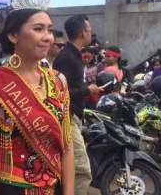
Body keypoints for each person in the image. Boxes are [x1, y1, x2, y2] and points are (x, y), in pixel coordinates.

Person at [0, 5, 74, 195]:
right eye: (38, 29)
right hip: (12, 189)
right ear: (13, 36)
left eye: (50, 29)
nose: (48, 37)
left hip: (53, 187)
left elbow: (67, 146)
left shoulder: (58, 81)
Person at [53, 14, 100, 195]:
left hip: (75, 117)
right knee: (82, 170)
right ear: (82, 33)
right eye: (89, 30)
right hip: (67, 118)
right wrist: (88, 91)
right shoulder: (66, 57)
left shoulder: (75, 55)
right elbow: (58, 92)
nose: (91, 33)